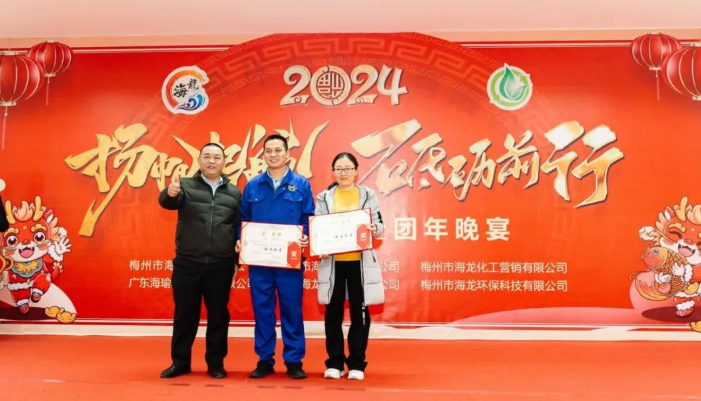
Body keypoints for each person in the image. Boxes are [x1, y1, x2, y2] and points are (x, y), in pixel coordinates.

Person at [158, 143, 241, 380]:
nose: (211, 161)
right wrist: (169, 192)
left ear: (224, 162)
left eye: (217, 157)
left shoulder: (234, 192)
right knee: (185, 315)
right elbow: (167, 202)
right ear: (199, 160)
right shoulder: (185, 185)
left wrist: (236, 260)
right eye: (207, 156)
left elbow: (237, 228)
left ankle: (215, 363)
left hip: (220, 264)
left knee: (218, 316)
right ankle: (180, 362)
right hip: (188, 263)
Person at [236, 134, 315, 379]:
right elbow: (243, 218)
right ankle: (264, 359)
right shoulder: (253, 185)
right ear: (263, 155)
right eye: (268, 150)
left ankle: (294, 360)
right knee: (263, 310)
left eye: (278, 150)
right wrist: (240, 239)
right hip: (259, 261)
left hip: (289, 261)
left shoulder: (301, 184)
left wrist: (305, 236)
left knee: (292, 310)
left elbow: (308, 217)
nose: (273, 154)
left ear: (287, 154)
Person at [314, 152, 385, 381]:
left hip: (359, 264)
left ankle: (357, 363)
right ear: (333, 172)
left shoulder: (368, 194)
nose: (343, 173)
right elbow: (318, 227)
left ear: (356, 171)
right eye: (339, 169)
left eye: (347, 169)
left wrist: (374, 229)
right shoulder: (324, 197)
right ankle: (335, 363)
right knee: (332, 314)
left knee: (360, 313)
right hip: (333, 265)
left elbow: (380, 225)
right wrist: (320, 243)